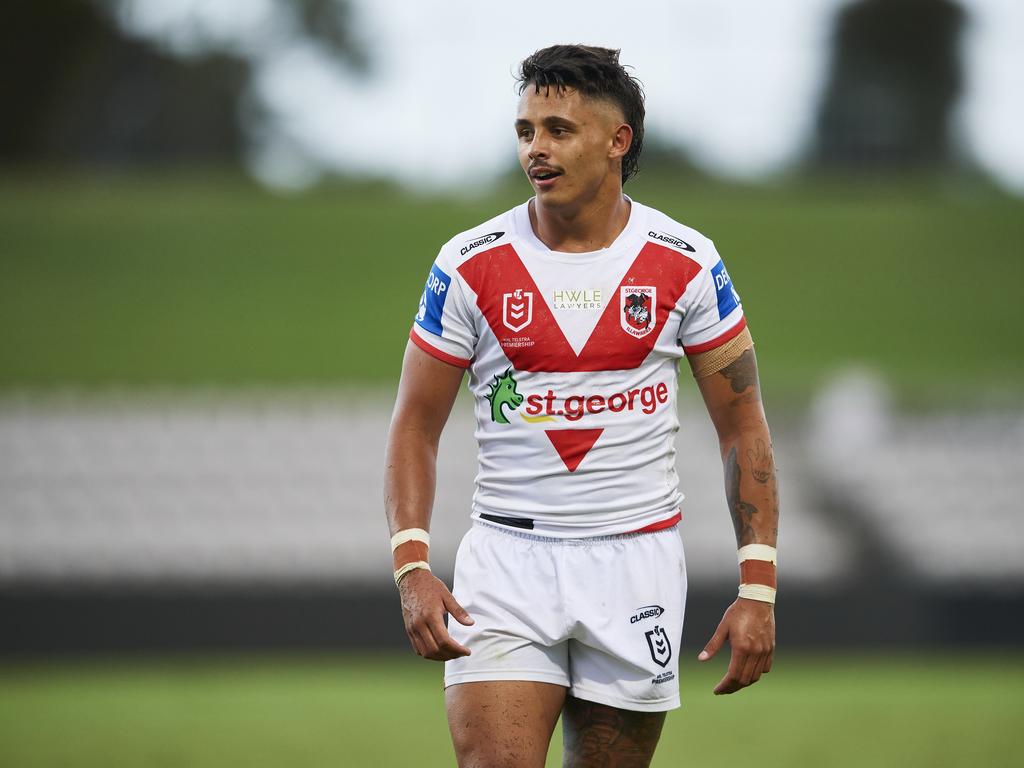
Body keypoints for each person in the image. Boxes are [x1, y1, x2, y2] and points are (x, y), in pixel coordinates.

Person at [384, 44, 779, 768]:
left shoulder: (687, 261)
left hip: (638, 561)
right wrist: (413, 569)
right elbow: (415, 425)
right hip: (506, 564)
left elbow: (742, 428)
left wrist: (758, 587)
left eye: (559, 129)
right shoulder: (468, 262)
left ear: (617, 141)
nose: (536, 148)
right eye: (526, 130)